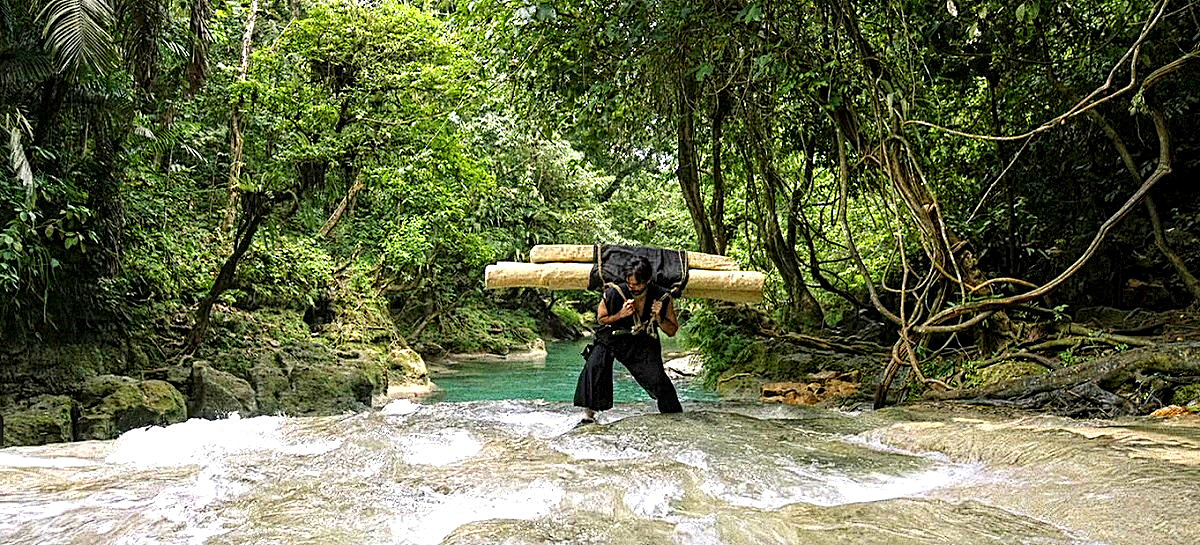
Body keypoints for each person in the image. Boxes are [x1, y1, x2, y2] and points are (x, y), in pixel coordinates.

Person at [574, 256, 683, 423]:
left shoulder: (661, 296)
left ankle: (674, 416)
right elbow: (601, 319)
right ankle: (589, 414)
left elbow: (672, 331)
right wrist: (620, 315)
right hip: (612, 337)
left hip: (642, 340)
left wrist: (659, 317)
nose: (633, 288)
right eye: (630, 283)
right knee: (595, 364)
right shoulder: (614, 292)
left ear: (647, 280)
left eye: (637, 284)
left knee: (658, 379)